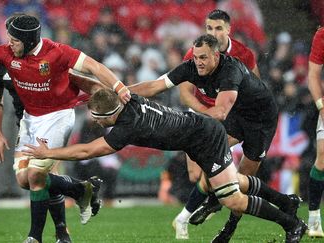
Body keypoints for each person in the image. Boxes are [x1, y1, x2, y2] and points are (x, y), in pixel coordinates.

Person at [23, 88, 307, 243]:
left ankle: (292, 224)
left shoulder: (126, 128)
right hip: (196, 134)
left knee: (231, 199)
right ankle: (286, 201)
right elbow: (103, 88)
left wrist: (51, 152)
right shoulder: (126, 97)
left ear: (109, 114)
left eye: (98, 117)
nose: (95, 122)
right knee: (225, 183)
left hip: (206, 138)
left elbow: (86, 150)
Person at [0, 14, 130, 243]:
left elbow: (93, 66)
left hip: (58, 116)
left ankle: (34, 237)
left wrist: (119, 87)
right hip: (29, 119)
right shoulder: (5, 55)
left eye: (15, 40)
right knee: (23, 179)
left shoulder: (57, 52)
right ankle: (81, 191)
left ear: (29, 41)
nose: (10, 43)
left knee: (36, 174)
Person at [128, 34, 280, 242]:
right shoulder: (191, 67)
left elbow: (220, 113)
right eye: (196, 56)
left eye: (204, 58)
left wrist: (182, 119)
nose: (198, 61)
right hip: (238, 116)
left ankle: (230, 226)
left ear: (216, 56)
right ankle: (211, 202)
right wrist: (119, 91)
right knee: (218, 167)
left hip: (261, 121)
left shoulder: (230, 71)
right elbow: (155, 86)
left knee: (240, 183)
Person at [172, 9, 262, 240]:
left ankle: (211, 211)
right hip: (203, 113)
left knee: (221, 172)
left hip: (230, 116)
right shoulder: (195, 52)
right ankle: (214, 198)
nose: (213, 32)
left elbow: (256, 87)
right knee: (195, 174)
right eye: (209, 28)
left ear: (228, 29)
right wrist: (206, 112)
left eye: (218, 28)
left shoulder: (243, 53)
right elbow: (185, 93)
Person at [306, 27, 324, 238]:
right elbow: (313, 75)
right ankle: (314, 219)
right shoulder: (321, 35)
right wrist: (320, 105)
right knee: (322, 158)